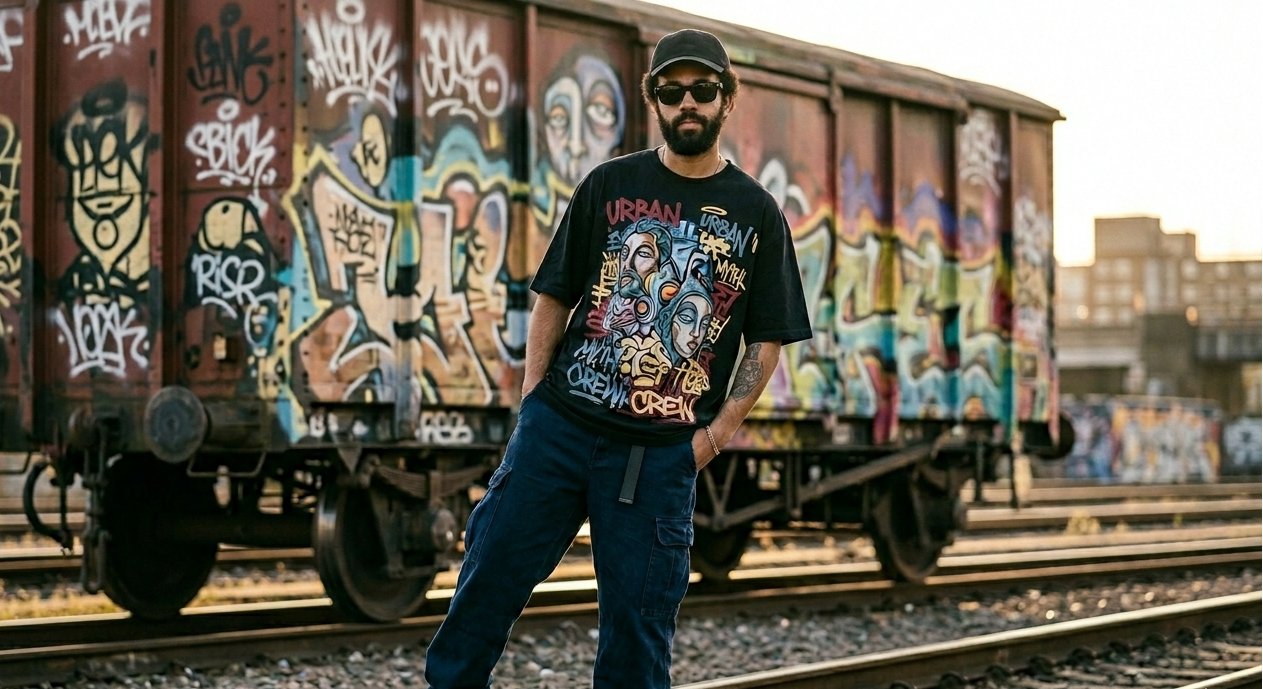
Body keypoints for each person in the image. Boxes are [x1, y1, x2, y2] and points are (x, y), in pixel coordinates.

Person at [424, 28, 812, 688]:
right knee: (487, 577)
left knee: (636, 629)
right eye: (671, 91)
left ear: (727, 99)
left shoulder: (756, 213)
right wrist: (535, 401)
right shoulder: (610, 183)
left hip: (657, 455)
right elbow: (554, 292)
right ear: (653, 100)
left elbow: (766, 339)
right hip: (560, 429)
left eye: (701, 90)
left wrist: (712, 439)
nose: (686, 103)